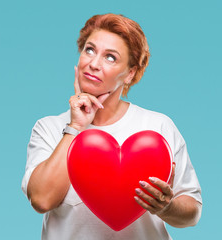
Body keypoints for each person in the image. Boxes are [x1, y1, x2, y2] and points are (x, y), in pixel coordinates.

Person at [21, 13, 202, 239]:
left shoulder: (158, 126)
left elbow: (192, 212)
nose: (93, 64)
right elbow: (41, 200)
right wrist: (76, 126)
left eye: (110, 58)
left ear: (130, 74)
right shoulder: (49, 128)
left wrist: (167, 207)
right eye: (89, 50)